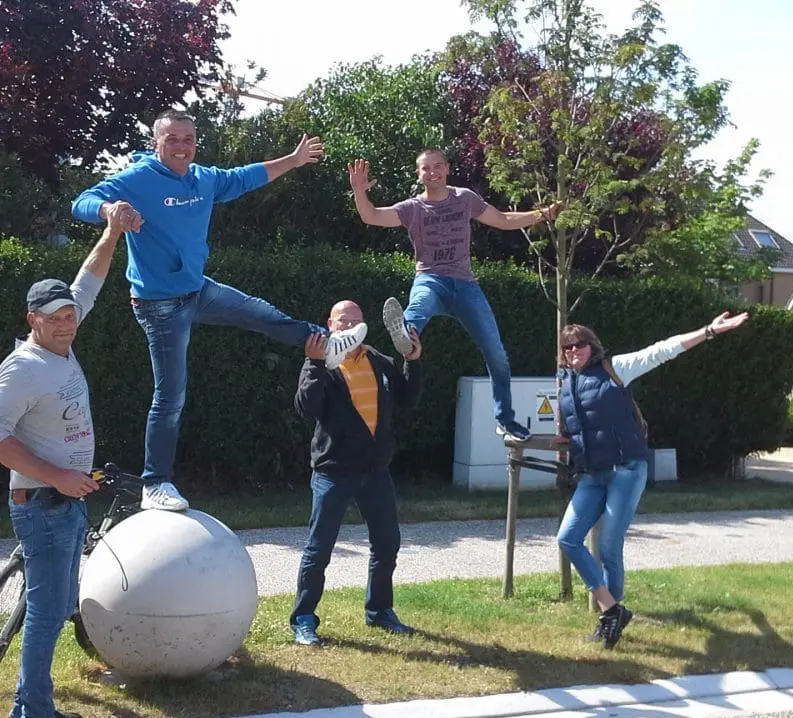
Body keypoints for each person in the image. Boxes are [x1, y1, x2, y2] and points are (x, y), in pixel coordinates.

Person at [72, 109, 366, 513]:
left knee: (263, 314)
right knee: (171, 395)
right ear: (156, 143)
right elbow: (81, 201)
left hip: (198, 289)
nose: (181, 146)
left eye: (188, 139)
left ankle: (327, 342)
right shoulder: (138, 179)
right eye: (172, 139)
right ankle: (155, 483)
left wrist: (294, 160)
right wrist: (109, 211)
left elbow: (246, 177)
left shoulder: (203, 179)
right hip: (159, 306)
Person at [0, 211, 127, 718]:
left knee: (51, 607)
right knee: (48, 614)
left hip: (64, 501)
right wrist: (58, 477)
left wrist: (112, 233)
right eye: (54, 318)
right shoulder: (23, 368)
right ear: (33, 319)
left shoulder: (63, 341)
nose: (66, 324)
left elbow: (89, 278)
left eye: (70, 315)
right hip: (43, 504)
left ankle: (29, 708)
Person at [555, 310, 749, 649]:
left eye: (579, 344)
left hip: (626, 471)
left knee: (609, 547)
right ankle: (613, 611)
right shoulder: (564, 384)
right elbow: (570, 428)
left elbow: (661, 350)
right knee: (567, 539)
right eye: (567, 347)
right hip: (592, 474)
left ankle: (609, 619)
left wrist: (708, 330)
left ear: (592, 346)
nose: (573, 351)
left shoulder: (615, 368)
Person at [348, 150, 562, 442]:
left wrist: (544, 214)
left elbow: (503, 219)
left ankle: (505, 419)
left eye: (437, 166)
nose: (432, 172)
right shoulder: (412, 208)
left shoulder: (465, 199)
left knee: (497, 354)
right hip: (430, 279)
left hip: (465, 286)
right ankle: (407, 336)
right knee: (418, 305)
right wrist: (359, 191)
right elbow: (371, 216)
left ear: (447, 169)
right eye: (426, 168)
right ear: (418, 174)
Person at [290, 301, 422, 646]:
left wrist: (412, 361)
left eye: (355, 320)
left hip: (375, 471)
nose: (349, 325)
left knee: (387, 544)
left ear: (364, 325)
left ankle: (380, 611)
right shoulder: (323, 360)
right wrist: (315, 363)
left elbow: (408, 398)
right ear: (329, 324)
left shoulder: (377, 359)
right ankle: (303, 619)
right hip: (333, 472)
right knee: (319, 549)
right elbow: (307, 407)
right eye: (342, 320)